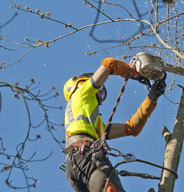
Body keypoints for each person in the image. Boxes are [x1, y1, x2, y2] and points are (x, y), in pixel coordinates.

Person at [63, 57, 166, 192]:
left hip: (76, 164)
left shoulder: (92, 124)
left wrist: (152, 98)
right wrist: (132, 72)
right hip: (86, 157)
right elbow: (109, 64)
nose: (100, 91)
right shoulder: (81, 94)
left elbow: (132, 128)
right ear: (80, 83)